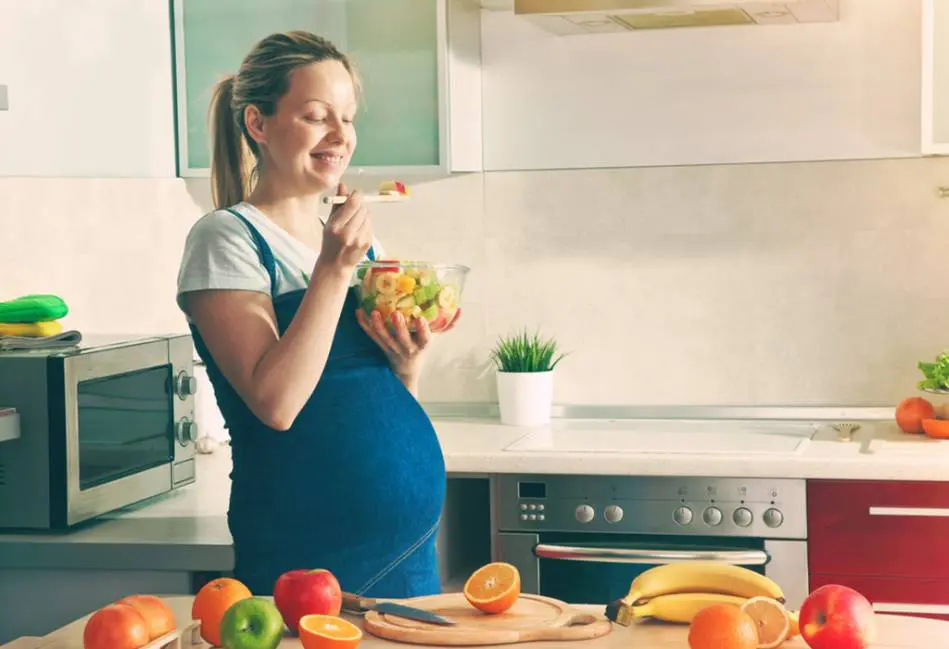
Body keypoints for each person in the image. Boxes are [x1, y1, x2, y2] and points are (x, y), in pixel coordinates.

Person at [175, 30, 460, 599]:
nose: (341, 136)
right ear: (258, 124)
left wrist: (406, 365)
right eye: (316, 116)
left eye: (348, 118)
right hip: (309, 557)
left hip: (407, 556)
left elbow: (360, 392)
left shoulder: (350, 243)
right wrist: (333, 269)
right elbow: (276, 403)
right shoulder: (227, 238)